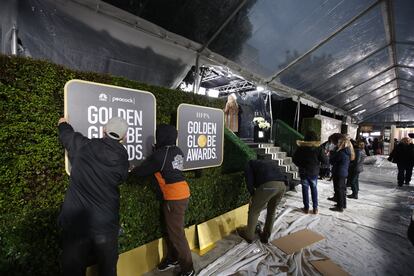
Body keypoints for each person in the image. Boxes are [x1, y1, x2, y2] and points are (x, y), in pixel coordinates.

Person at [58, 117, 129, 276]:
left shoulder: (84, 146)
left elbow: (67, 135)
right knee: (107, 269)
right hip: (106, 226)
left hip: (77, 225)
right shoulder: (122, 158)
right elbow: (122, 178)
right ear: (123, 138)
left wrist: (62, 123)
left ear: (103, 130)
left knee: (73, 270)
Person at [131, 124, 194, 276]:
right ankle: (173, 258)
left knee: (177, 235)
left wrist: (132, 170)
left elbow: (141, 172)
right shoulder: (176, 150)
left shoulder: (160, 154)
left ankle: (188, 269)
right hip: (181, 193)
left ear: (161, 137)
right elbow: (167, 163)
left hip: (174, 197)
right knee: (172, 231)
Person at [238, 159, 287, 243]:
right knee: (272, 210)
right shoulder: (268, 163)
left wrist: (252, 194)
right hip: (283, 185)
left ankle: (249, 235)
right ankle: (266, 236)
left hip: (269, 186)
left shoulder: (248, 164)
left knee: (254, 210)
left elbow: (249, 180)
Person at [293, 131, 327, 215]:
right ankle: (315, 209)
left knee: (305, 189)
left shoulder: (301, 148)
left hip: (303, 172)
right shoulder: (319, 148)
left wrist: (300, 165)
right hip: (314, 172)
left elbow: (294, 159)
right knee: (314, 189)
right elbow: (325, 161)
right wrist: (318, 166)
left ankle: (306, 208)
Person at [329, 134, 354, 212]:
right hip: (343, 172)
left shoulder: (341, 153)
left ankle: (340, 207)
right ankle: (343, 204)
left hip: (338, 172)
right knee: (342, 189)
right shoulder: (347, 151)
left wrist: (332, 154)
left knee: (339, 189)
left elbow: (332, 161)